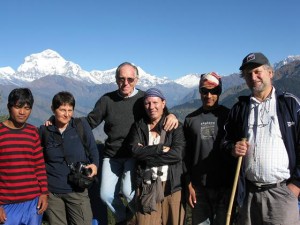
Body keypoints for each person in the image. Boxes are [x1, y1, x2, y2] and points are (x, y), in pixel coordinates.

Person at [86, 62, 178, 224]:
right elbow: (89, 122)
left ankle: (137, 219)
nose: (125, 83)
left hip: (133, 155)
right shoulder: (107, 100)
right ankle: (126, 219)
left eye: (130, 79)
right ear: (116, 79)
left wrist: (172, 116)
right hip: (111, 155)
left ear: (136, 79)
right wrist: (62, 123)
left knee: (129, 193)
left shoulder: (143, 99)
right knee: (106, 195)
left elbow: (160, 111)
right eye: (121, 79)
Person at [223, 52, 300, 225]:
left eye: (257, 71)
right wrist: (232, 149)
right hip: (248, 193)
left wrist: (296, 185)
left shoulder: (289, 104)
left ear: (270, 73)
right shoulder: (240, 108)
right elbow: (225, 141)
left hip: (281, 193)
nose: (253, 77)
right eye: (248, 74)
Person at [127, 88, 185, 225]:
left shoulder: (175, 126)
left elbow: (177, 154)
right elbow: (134, 151)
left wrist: (146, 155)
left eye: (155, 102)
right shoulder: (139, 127)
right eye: (147, 103)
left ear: (163, 103)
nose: (151, 107)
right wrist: (160, 149)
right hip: (147, 186)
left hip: (172, 186)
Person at [40, 91, 99, 225]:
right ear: (53, 109)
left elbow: (93, 149)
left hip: (77, 189)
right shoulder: (44, 131)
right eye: (62, 110)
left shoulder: (80, 125)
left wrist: (95, 165)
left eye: (70, 110)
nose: (67, 114)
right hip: (53, 192)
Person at [184, 72, 234, 225]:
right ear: (200, 92)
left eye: (214, 91)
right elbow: (185, 155)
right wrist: (188, 184)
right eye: (204, 91)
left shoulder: (229, 116)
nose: (209, 95)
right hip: (199, 188)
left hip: (225, 187)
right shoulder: (191, 119)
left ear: (220, 92)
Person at [0, 88, 48, 225]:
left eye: (27, 108)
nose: (22, 112)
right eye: (18, 107)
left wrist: (44, 193)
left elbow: (39, 165)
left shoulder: (33, 132)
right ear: (9, 107)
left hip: (33, 203)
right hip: (7, 204)